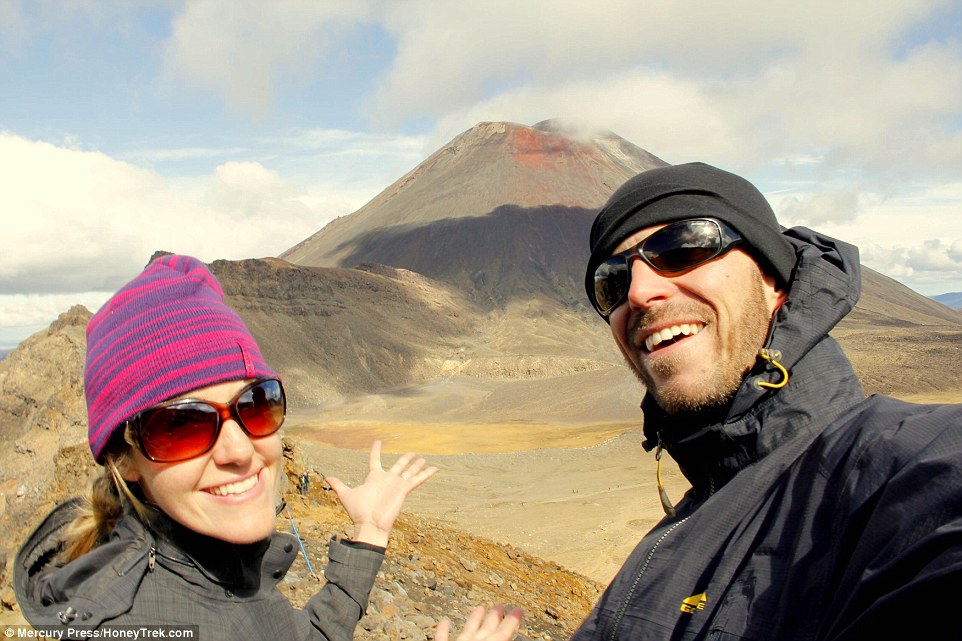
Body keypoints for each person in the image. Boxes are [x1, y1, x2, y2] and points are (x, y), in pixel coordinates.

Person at [12, 254, 518, 641]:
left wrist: (368, 536)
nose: (239, 450)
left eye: (255, 404)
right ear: (125, 460)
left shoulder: (203, 569)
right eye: (182, 425)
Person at [574, 163, 962, 640]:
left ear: (774, 280)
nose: (638, 292)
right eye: (612, 281)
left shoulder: (903, 463)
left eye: (682, 247)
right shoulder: (666, 544)